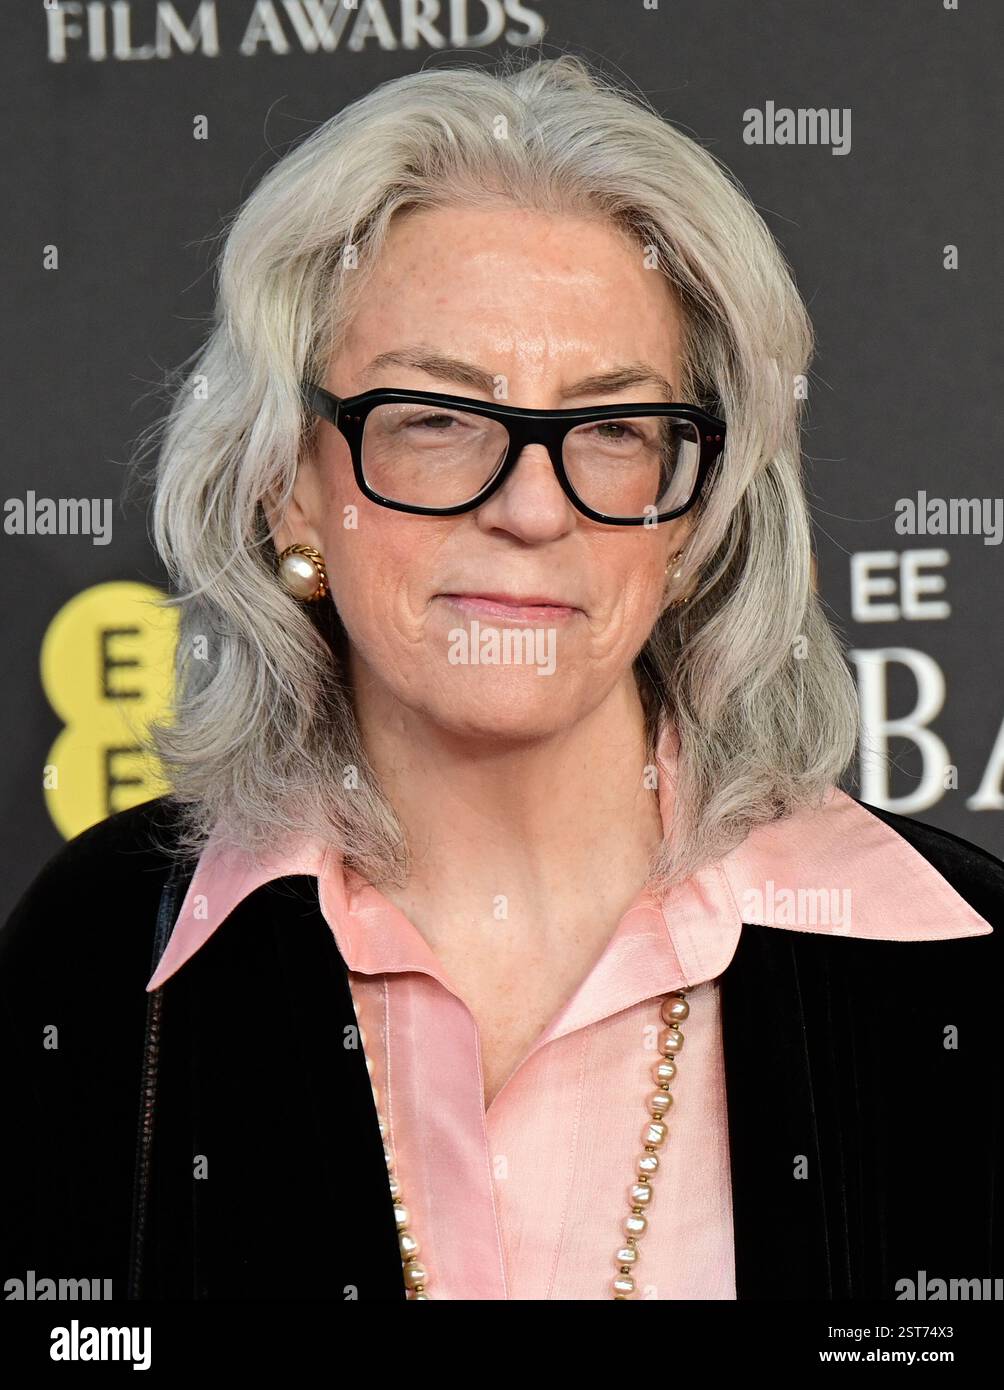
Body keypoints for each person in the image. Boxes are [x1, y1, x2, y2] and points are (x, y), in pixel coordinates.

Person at [2, 53, 1002, 1304]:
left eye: (614, 427)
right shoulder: (97, 953)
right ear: (288, 486)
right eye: (435, 417)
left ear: (690, 517)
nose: (532, 508)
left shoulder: (963, 970)